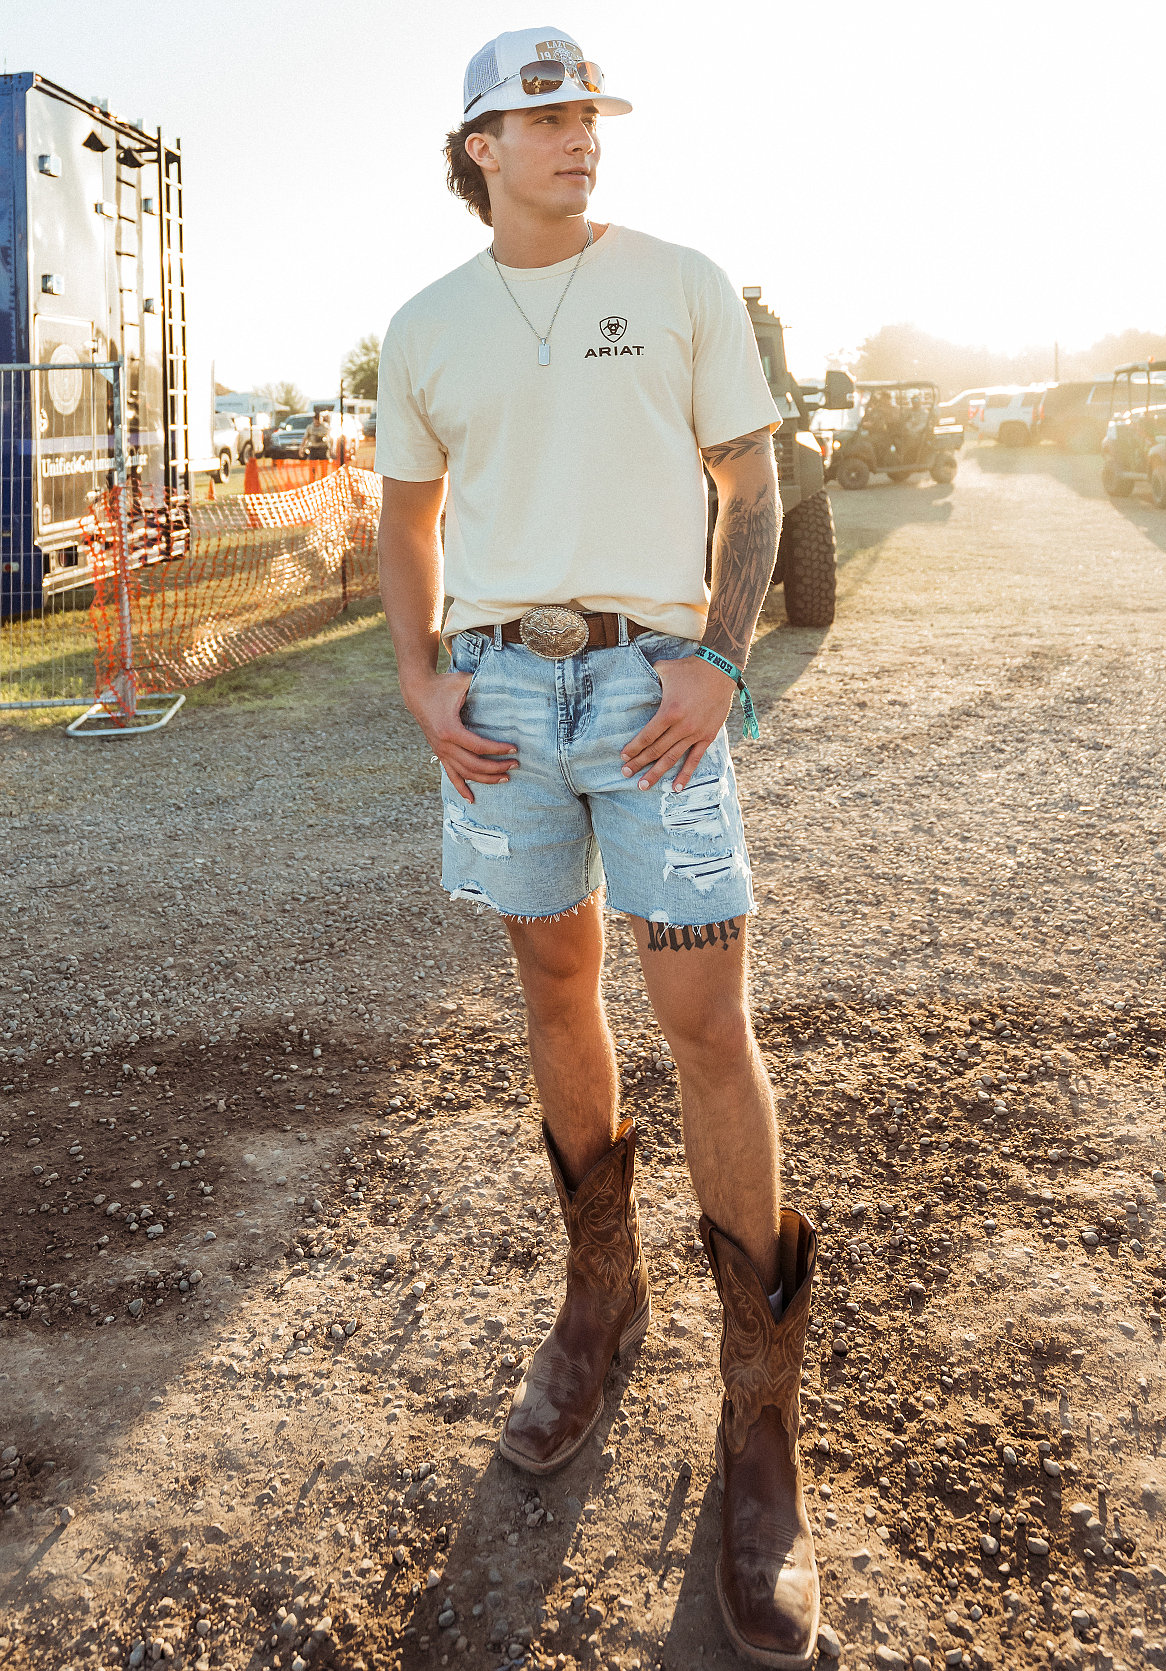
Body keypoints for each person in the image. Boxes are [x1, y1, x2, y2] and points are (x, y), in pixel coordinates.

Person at [375, 25, 822, 1667]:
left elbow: (751, 484)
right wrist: (421, 679)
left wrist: (717, 657)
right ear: (478, 147)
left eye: (588, 115)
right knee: (555, 992)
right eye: (545, 118)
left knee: (705, 1022)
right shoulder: (423, 326)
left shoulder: (683, 279)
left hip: (655, 692)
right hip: (500, 698)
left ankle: (758, 1419)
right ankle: (597, 1302)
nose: (580, 139)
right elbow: (403, 517)